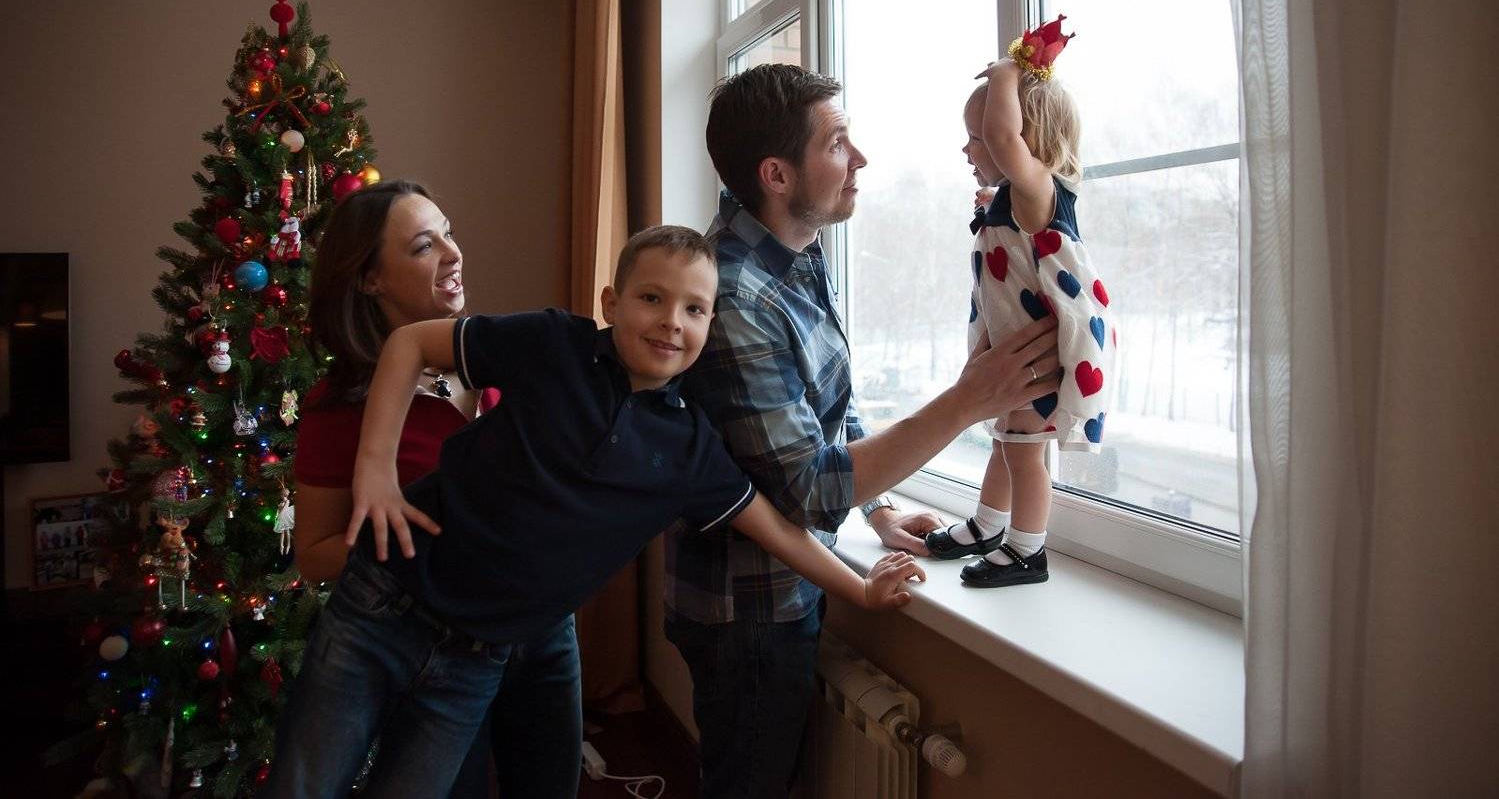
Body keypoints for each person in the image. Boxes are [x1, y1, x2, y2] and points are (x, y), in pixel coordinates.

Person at [264, 225, 925, 799]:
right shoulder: (555, 342)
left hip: (476, 659)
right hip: (382, 605)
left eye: (695, 309)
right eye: (651, 298)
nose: (672, 321)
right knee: (303, 783)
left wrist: (861, 590)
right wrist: (375, 471)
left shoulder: (690, 449)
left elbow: (775, 528)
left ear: (710, 324)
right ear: (611, 303)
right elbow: (410, 342)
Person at [668, 63, 1064, 797]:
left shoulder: (793, 251)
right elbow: (812, 490)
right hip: (746, 611)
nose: (861, 158)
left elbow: (827, 400)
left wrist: (877, 509)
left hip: (783, 589)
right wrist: (968, 400)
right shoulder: (733, 297)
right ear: (777, 175)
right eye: (838, 143)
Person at [291, 180, 517, 799]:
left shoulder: (494, 367)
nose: (453, 253)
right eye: (423, 246)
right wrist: (421, 538)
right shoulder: (340, 408)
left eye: (449, 233)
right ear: (371, 280)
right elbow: (313, 552)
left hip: (509, 639)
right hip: (412, 646)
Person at [924, 16, 1118, 587]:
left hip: (1041, 357)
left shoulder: (1039, 190)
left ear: (1020, 140)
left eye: (977, 136)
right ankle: (989, 525)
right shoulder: (1017, 197)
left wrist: (1007, 72)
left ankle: (1028, 549)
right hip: (1018, 352)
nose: (968, 147)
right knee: (1007, 442)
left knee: (1024, 453)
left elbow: (1006, 141)